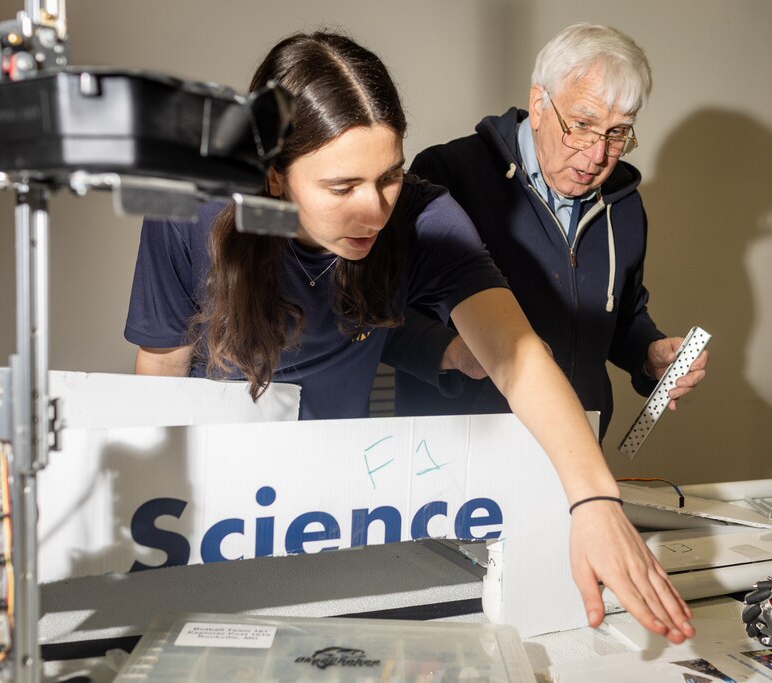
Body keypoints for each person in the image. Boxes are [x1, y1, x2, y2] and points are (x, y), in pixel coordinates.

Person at [124, 30, 695, 643]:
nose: (374, 211)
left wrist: (594, 502)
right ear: (273, 178)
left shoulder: (425, 217)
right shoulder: (191, 209)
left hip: (331, 500)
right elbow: (158, 378)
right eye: (341, 188)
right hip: (212, 496)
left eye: (389, 176)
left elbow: (517, 355)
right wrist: (144, 517)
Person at [383, 24, 707, 440]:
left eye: (618, 133)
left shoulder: (623, 205)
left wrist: (649, 354)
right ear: (538, 105)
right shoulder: (449, 176)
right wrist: (457, 352)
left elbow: (619, 316)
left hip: (574, 449)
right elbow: (377, 314)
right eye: (583, 125)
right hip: (460, 451)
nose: (598, 155)